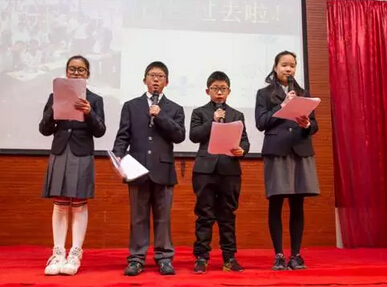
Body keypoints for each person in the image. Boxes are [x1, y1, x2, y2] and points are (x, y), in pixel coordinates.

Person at [112, 61, 185, 276]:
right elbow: (122, 136)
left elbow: (179, 135)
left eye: (160, 76)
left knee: (163, 218)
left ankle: (164, 258)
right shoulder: (131, 106)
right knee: (138, 217)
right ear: (144, 80)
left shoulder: (174, 109)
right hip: (137, 169)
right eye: (152, 75)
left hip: (163, 171)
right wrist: (118, 159)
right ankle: (136, 258)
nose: (156, 80)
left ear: (167, 82)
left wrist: (160, 115)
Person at [39, 55, 106, 275]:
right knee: (59, 203)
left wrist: (89, 113)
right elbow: (44, 129)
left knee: (78, 202)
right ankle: (58, 253)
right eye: (72, 69)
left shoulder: (95, 99)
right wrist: (54, 108)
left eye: (81, 70)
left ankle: (75, 253)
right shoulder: (54, 96)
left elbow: (100, 130)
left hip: (81, 152)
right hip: (60, 151)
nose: (76, 73)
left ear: (88, 74)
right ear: (66, 72)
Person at [255, 51, 320, 270]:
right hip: (277, 151)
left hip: (300, 151)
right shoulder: (264, 93)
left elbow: (315, 125)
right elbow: (261, 122)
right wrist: (282, 105)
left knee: (297, 205)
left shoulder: (303, 93)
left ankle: (296, 255)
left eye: (292, 65)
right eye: (284, 65)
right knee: (276, 202)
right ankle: (279, 255)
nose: (288, 69)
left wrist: (307, 125)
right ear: (275, 67)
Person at [190, 71, 250, 274]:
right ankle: (201, 258)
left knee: (227, 215)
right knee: (204, 215)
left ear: (229, 91)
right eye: (215, 89)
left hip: (229, 170)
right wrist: (213, 121)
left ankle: (229, 258)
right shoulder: (199, 112)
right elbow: (194, 136)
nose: (219, 93)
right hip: (204, 170)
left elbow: (245, 141)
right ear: (208, 91)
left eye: (223, 89)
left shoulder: (237, 115)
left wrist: (243, 150)